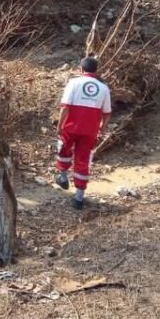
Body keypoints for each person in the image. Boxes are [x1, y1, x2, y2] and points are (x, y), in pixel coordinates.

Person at [55, 57, 112, 209]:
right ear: (96, 70)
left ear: (81, 69)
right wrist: (101, 129)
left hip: (70, 127)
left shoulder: (73, 83)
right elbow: (107, 113)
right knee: (83, 159)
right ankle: (79, 198)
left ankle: (62, 176)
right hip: (90, 131)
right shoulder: (104, 88)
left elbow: (65, 107)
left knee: (64, 150)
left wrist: (59, 125)